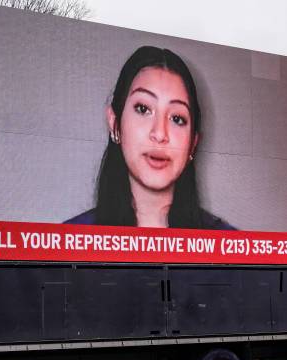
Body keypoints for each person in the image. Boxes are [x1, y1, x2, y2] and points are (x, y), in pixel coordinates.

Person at [66, 46, 234, 230]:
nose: (160, 134)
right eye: (143, 109)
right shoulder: (69, 241)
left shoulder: (226, 242)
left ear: (193, 144)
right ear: (115, 123)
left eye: (177, 119)